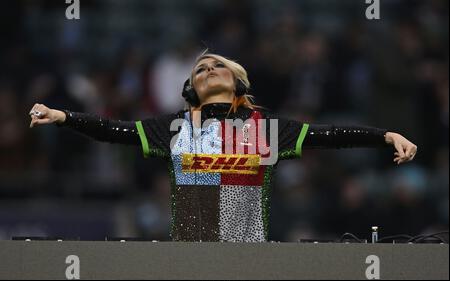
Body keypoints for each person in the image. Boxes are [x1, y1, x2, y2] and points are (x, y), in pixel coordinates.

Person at [28, 52, 417, 242]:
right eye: (200, 69)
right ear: (191, 89)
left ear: (239, 82)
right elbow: (114, 130)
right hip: (188, 261)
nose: (209, 69)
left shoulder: (265, 128)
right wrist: (64, 116)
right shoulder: (174, 127)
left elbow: (331, 135)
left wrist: (385, 135)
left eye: (218, 66)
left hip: (250, 259)